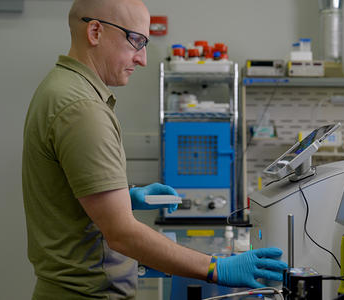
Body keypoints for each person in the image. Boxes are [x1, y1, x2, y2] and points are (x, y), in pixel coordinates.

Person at [22, 0, 287, 299]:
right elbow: (122, 234)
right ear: (95, 31)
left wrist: (124, 197)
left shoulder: (62, 87)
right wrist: (216, 267)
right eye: (137, 41)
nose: (143, 59)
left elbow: (69, 196)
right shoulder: (81, 108)